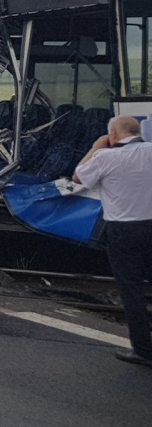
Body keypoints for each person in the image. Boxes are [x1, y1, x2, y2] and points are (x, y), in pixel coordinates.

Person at [73, 115, 152, 367]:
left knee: (132, 289)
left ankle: (144, 349)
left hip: (123, 230)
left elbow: (78, 178)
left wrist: (96, 147)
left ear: (113, 135)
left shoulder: (105, 157)